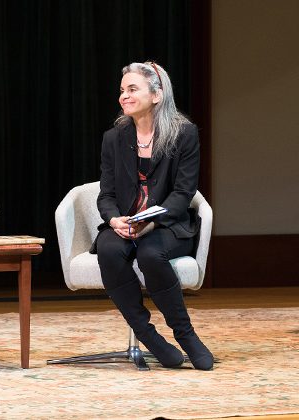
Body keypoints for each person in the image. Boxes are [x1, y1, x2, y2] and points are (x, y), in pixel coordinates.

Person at [92, 61, 214, 370]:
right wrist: (113, 219)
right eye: (122, 90)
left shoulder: (183, 134)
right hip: (125, 223)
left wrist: (152, 221)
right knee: (107, 249)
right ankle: (150, 338)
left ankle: (186, 335)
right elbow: (105, 194)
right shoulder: (114, 137)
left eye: (133, 89)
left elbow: (183, 193)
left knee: (151, 254)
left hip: (167, 224)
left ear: (157, 95)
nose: (124, 96)